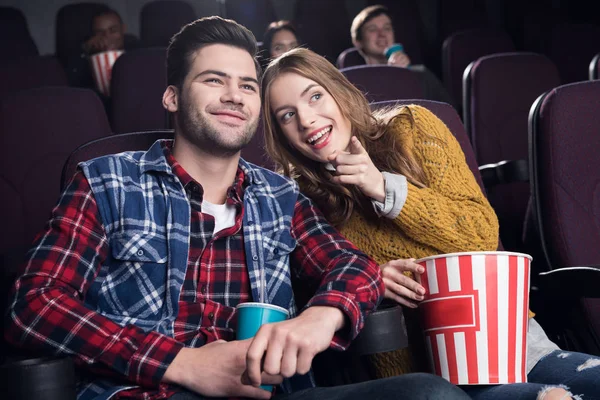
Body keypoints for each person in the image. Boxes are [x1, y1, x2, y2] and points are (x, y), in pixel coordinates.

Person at [4, 16, 470, 400]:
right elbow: (33, 305)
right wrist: (181, 364)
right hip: (147, 392)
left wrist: (319, 317)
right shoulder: (106, 181)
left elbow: (354, 267)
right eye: (214, 80)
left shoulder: (281, 197)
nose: (234, 95)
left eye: (248, 86)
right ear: (172, 97)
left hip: (275, 394)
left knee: (430, 394)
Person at [261, 47, 600, 400]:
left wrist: (382, 187)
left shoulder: (411, 128)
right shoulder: (297, 198)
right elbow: (309, 303)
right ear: (281, 134)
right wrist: (371, 281)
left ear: (338, 92)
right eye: (287, 115)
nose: (306, 119)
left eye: (315, 96)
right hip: (422, 375)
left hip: (511, 344)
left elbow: (481, 233)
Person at [348, 5, 455, 108]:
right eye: (372, 29)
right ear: (358, 41)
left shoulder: (422, 75)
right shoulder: (352, 86)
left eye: (387, 28)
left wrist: (404, 77)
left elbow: (449, 115)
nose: (382, 34)